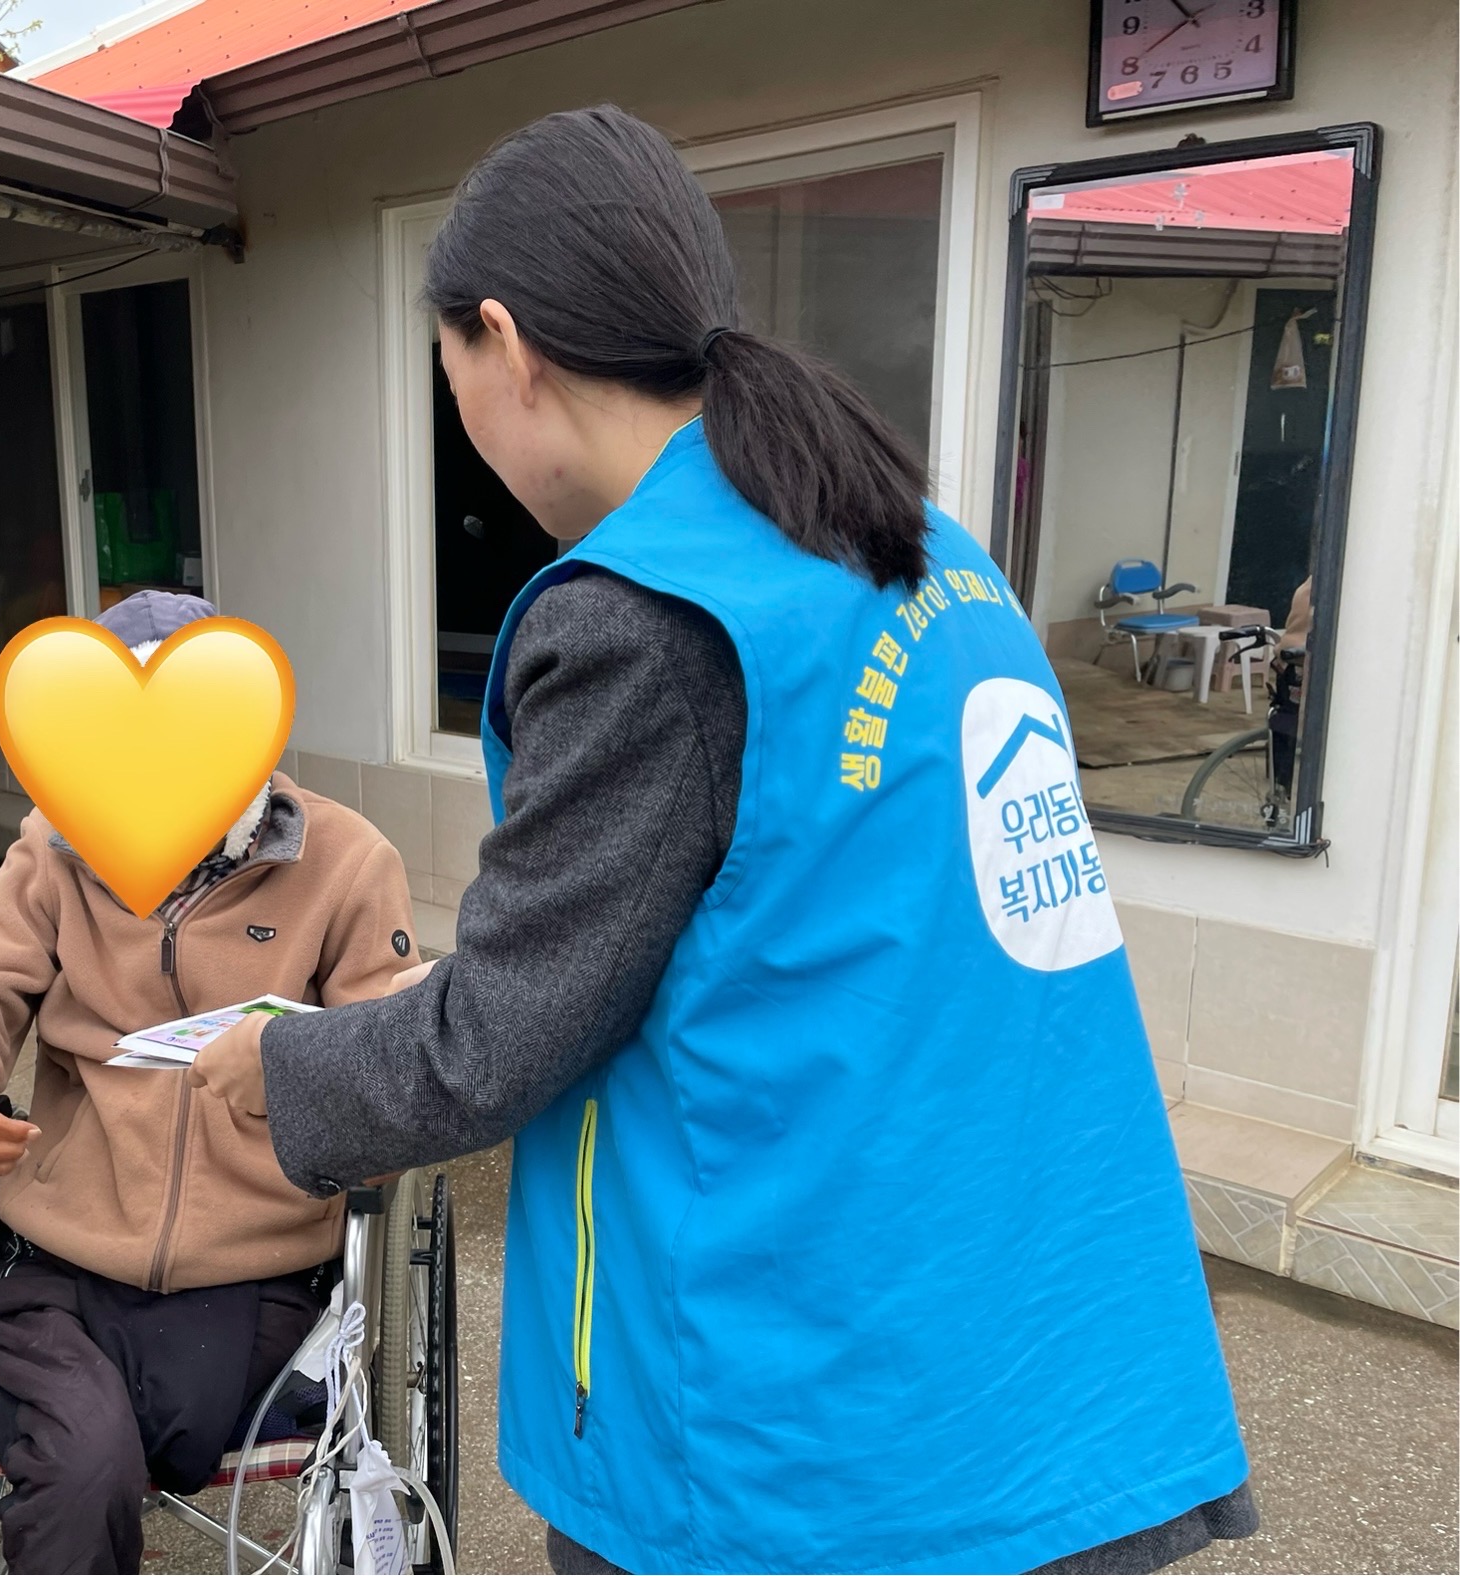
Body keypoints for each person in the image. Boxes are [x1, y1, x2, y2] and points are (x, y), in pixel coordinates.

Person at [190, 108, 1256, 1575]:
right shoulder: (924, 548)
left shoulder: (648, 617)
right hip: (1046, 1345)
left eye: (450, 376)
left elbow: (499, 1039)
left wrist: (280, 1068)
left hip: (815, 1423)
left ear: (505, 344)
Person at [0, 590, 416, 1573]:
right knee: (83, 1460)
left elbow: (394, 1058)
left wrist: (311, 1067)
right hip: (58, 1259)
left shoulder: (345, 864)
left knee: (144, 1426)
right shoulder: (51, 851)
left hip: (253, 1264)